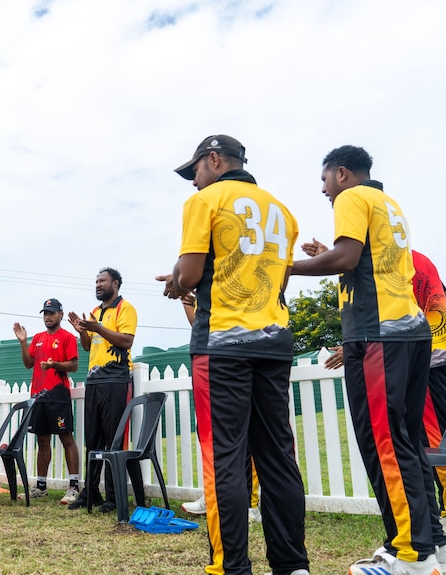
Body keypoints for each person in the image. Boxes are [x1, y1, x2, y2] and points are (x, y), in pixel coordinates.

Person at [291, 145, 446, 575]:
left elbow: (347, 258)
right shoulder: (388, 203)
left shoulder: (351, 198)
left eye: (325, 179)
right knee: (407, 441)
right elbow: (366, 262)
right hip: (409, 331)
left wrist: (287, 268)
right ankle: (437, 547)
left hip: (378, 335)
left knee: (384, 442)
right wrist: (326, 252)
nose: (323, 189)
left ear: (342, 174)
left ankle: (410, 554)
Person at [158, 135, 309, 575]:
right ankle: (292, 566)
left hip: (222, 344)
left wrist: (176, 283)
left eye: (195, 173)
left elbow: (189, 273)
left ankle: (231, 567)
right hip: (274, 340)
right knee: (278, 456)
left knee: (225, 456)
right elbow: (278, 284)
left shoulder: (206, 201)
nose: (193, 183)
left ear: (215, 160)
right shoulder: (283, 211)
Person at [324, 251, 446, 540]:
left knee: (436, 440)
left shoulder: (388, 261)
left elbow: (393, 313)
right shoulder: (422, 258)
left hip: (428, 359)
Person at [169, 292, 263, 524]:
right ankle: (214, 496)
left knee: (247, 438)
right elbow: (199, 326)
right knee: (217, 439)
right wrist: (187, 304)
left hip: (242, 358)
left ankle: (250, 505)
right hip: (213, 362)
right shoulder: (205, 288)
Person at [66, 267, 136, 514]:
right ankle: (90, 493)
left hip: (116, 379)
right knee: (93, 440)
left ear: (115, 283)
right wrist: (83, 331)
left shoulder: (124, 308)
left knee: (112, 440)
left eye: (102, 281)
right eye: (95, 281)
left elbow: (126, 341)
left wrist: (97, 328)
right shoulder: (96, 312)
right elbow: (87, 347)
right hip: (94, 382)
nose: (97, 284)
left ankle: (114, 497)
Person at [12, 298, 81, 504]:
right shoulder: (37, 338)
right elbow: (27, 364)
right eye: (45, 313)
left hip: (58, 395)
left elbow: (74, 366)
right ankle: (41, 486)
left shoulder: (67, 337)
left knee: (66, 438)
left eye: (51, 313)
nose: (48, 317)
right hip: (38, 396)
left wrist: (55, 365)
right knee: (42, 441)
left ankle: (74, 486)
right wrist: (23, 342)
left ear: (60, 314)